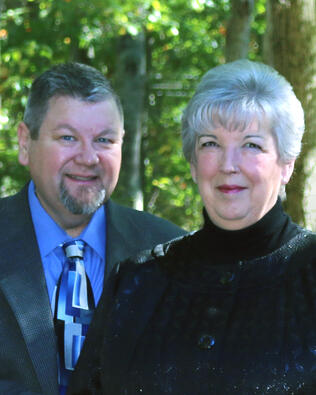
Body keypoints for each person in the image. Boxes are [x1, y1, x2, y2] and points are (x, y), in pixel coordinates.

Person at [69, 59, 316, 395]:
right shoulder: (135, 282)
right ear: (193, 162)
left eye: (252, 145)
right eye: (210, 144)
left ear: (286, 164)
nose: (228, 165)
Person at [0, 62, 186, 395]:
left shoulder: (172, 255)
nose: (88, 158)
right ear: (25, 142)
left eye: (104, 140)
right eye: (68, 138)